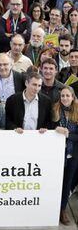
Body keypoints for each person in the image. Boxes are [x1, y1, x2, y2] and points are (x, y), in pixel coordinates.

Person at [52, 86, 78, 225]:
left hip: (72, 154)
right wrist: (55, 129)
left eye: (68, 96)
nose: (65, 98)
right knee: (55, 182)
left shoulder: (77, 111)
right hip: (56, 154)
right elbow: (48, 126)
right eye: (62, 96)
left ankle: (62, 210)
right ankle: (52, 208)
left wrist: (69, 134)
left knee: (67, 184)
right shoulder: (55, 109)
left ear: (73, 97)